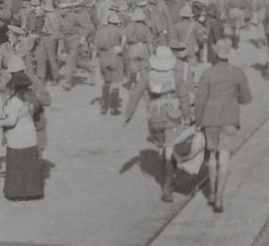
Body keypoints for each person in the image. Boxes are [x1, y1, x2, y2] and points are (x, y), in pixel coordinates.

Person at [123, 46, 192, 202]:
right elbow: (184, 99)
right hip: (172, 118)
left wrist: (128, 116)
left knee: (163, 147)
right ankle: (166, 187)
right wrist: (187, 119)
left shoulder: (147, 76)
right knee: (170, 151)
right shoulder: (176, 76)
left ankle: (164, 164)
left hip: (154, 118)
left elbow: (136, 95)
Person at [195, 39, 252, 213]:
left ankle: (211, 193)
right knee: (224, 158)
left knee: (212, 157)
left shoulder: (207, 73)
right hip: (229, 120)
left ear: (216, 54)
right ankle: (219, 198)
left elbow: (199, 101)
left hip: (210, 119)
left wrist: (198, 122)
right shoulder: (237, 73)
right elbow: (246, 98)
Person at [0, 72, 44, 200]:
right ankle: (32, 192)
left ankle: (17, 193)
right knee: (29, 164)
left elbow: (11, 121)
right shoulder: (32, 96)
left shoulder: (15, 101)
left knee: (17, 164)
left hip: (17, 135)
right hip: (29, 133)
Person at [4, 55, 51, 156]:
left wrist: (35, 97)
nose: (17, 75)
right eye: (14, 73)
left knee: (36, 157)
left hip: (36, 125)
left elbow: (47, 100)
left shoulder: (34, 81)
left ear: (23, 70)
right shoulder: (10, 85)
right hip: (19, 130)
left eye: (19, 72)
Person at [94, 13, 127, 115]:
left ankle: (104, 106)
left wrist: (92, 61)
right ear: (117, 22)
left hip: (104, 57)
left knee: (106, 82)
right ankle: (113, 108)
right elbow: (125, 37)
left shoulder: (100, 32)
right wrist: (121, 47)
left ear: (108, 22)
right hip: (115, 56)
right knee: (115, 83)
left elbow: (95, 48)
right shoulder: (118, 30)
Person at [57, 1, 94, 90]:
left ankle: (67, 82)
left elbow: (87, 26)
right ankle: (91, 70)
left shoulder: (74, 17)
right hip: (66, 41)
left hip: (74, 40)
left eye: (64, 8)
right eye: (61, 8)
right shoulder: (61, 18)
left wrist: (83, 38)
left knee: (70, 61)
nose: (61, 10)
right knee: (77, 61)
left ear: (68, 9)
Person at [125, 8, 154, 86]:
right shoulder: (145, 27)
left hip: (132, 48)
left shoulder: (129, 27)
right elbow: (150, 42)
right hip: (143, 48)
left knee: (133, 68)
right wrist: (151, 53)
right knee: (144, 69)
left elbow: (125, 40)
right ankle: (142, 85)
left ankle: (133, 84)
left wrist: (128, 49)